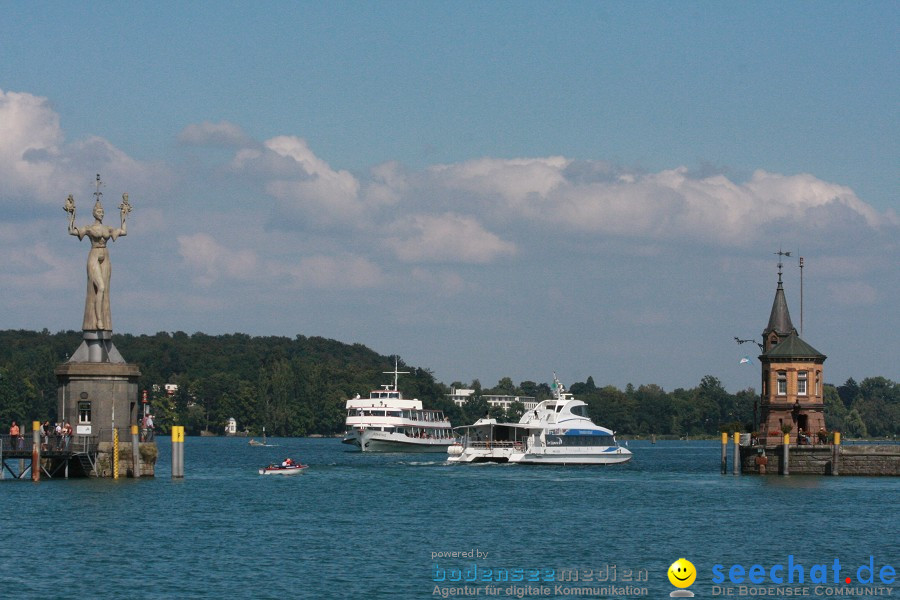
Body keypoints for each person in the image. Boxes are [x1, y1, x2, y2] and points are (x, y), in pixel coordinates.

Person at [65, 184, 130, 331]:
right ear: (94, 213)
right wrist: (71, 214)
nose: (101, 213)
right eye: (99, 211)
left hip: (105, 256)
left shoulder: (108, 228)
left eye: (103, 211)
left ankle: (104, 320)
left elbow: (124, 232)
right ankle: (98, 321)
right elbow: (72, 231)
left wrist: (124, 215)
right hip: (94, 255)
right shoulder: (89, 228)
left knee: (105, 289)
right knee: (99, 287)